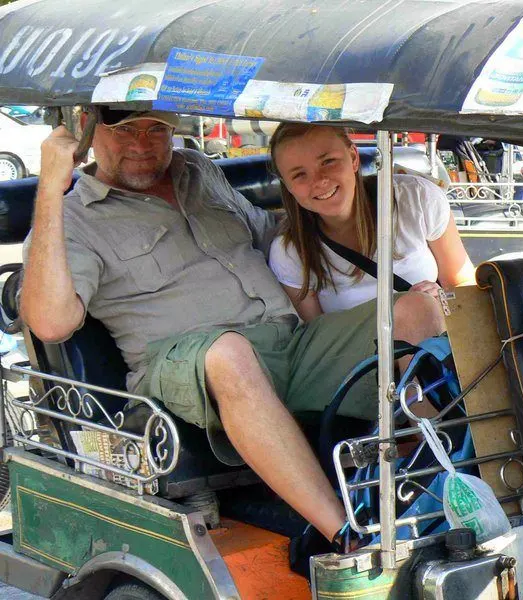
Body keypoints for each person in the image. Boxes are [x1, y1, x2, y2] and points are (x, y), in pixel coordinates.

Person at [19, 107, 445, 552]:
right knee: (230, 353)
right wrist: (51, 187)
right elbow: (50, 323)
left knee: (416, 306)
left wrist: (356, 207)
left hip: (289, 344)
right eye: (125, 131)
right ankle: (347, 534)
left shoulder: (198, 171)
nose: (142, 145)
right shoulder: (73, 218)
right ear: (87, 125)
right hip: (187, 363)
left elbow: (272, 236)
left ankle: (451, 470)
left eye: (155, 130)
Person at [267, 123, 475, 321]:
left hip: (431, 345)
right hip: (357, 356)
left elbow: (463, 283)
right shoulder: (290, 251)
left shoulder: (417, 198)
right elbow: (316, 338)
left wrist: (443, 300)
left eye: (328, 162)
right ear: (288, 186)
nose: (320, 180)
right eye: (299, 175)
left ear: (353, 158)